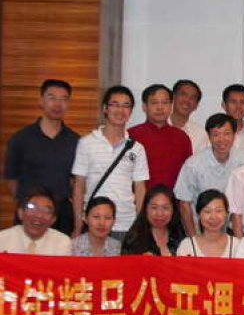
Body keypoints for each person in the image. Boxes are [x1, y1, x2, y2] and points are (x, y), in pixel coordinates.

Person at [71, 86, 149, 240]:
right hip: (94, 222)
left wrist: (140, 225)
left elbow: (140, 189)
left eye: (126, 105)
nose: (120, 110)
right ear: (105, 108)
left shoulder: (137, 148)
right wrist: (78, 224)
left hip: (126, 224)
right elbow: (79, 186)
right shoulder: (86, 143)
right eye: (115, 104)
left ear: (131, 111)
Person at [4, 79, 80, 235]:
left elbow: (76, 182)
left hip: (62, 215)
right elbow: (11, 178)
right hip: (30, 214)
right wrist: (29, 202)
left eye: (63, 99)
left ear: (68, 104)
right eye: (51, 97)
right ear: (41, 101)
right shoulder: (20, 138)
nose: (57, 104)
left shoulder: (76, 141)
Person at [175, 113, 244, 236]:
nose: (222, 139)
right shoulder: (193, 165)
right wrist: (193, 239)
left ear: (234, 135)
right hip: (201, 228)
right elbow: (184, 204)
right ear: (209, 137)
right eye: (216, 134)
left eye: (227, 134)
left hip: (232, 227)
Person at [129, 84, 193, 190]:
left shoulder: (182, 138)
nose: (160, 108)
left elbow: (188, 175)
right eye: (154, 103)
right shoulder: (131, 135)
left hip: (173, 199)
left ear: (171, 106)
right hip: (138, 198)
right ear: (144, 106)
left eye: (165, 102)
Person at [0, 187, 71, 255]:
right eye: (32, 208)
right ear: (20, 213)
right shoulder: (2, 239)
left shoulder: (62, 242)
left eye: (47, 211)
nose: (39, 215)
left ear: (53, 220)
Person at [122, 185, 185, 256]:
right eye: (154, 207)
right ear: (146, 209)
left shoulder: (182, 238)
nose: (159, 213)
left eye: (165, 208)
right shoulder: (133, 239)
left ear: (174, 210)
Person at [176, 190, 240, 258]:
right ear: (198, 215)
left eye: (218, 211)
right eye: (207, 211)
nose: (213, 217)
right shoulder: (187, 246)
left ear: (226, 214)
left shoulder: (237, 245)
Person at [169, 79, 209, 153]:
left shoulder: (201, 134)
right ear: (173, 97)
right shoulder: (157, 125)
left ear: (196, 105)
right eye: (183, 94)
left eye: (192, 98)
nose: (187, 100)